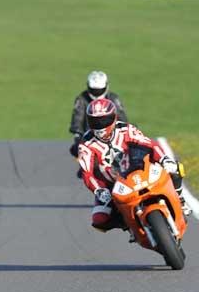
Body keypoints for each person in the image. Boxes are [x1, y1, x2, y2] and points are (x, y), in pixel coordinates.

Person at [77, 98, 190, 232]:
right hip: (112, 186)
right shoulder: (86, 144)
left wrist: (164, 159)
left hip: (139, 170)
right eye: (95, 121)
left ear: (113, 117)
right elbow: (87, 173)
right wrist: (99, 190)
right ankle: (129, 224)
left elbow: (150, 144)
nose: (100, 125)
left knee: (175, 168)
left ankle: (180, 199)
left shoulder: (126, 129)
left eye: (103, 120)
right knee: (99, 220)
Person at [69, 71, 129, 157]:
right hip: (90, 139)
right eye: (94, 90)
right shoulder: (82, 99)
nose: (96, 93)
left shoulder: (114, 98)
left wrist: (124, 131)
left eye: (99, 90)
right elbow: (77, 118)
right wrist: (78, 135)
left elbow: (122, 118)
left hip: (112, 138)